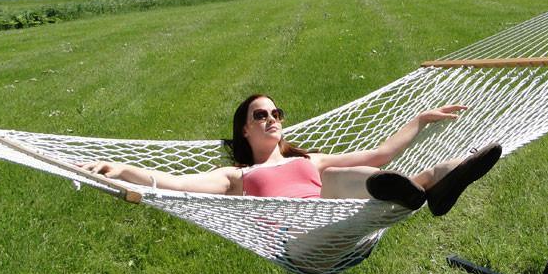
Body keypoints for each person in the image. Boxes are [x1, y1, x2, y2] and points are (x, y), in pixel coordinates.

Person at [80, 94, 502, 216]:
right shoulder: (236, 177)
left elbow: (379, 154)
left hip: (344, 215)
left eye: (275, 113)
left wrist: (420, 118)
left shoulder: (307, 160)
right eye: (259, 115)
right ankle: (417, 190)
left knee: (339, 175)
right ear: (245, 129)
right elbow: (174, 184)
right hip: (303, 240)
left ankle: (443, 179)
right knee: (343, 181)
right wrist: (121, 169)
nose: (271, 118)